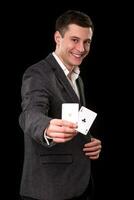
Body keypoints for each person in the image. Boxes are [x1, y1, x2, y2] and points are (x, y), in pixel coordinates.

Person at [19, 10, 102, 200]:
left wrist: (89, 140)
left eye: (87, 41)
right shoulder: (38, 73)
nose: (81, 48)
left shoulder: (77, 77)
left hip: (80, 183)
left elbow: (74, 122)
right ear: (58, 37)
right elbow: (31, 113)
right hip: (50, 188)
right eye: (74, 40)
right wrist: (46, 128)